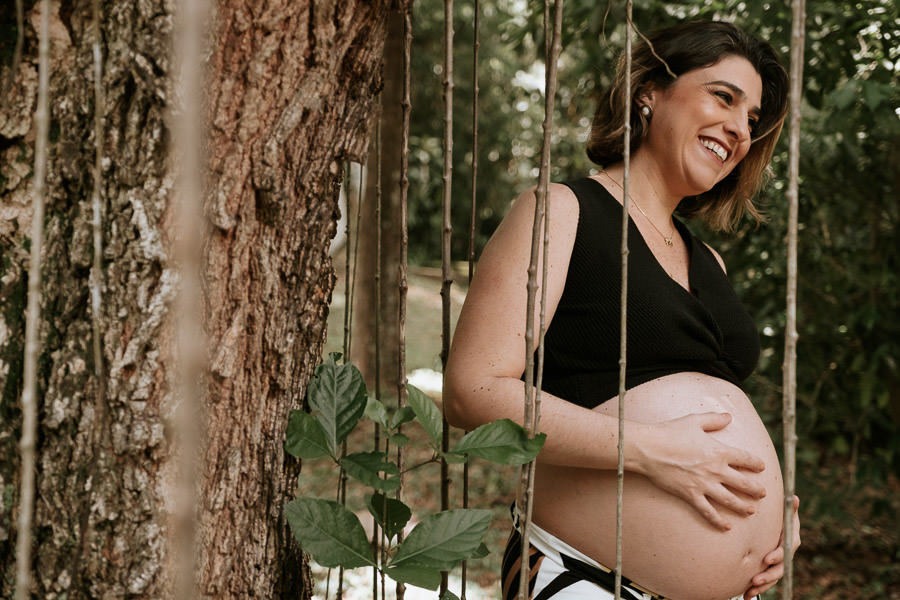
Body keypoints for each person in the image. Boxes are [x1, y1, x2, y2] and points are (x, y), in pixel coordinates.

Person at [444, 21, 802, 600]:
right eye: (724, 96)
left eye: (752, 119)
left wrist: (767, 517)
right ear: (649, 92)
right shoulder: (561, 211)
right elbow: (471, 393)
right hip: (586, 579)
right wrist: (653, 451)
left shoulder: (708, 259)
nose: (739, 128)